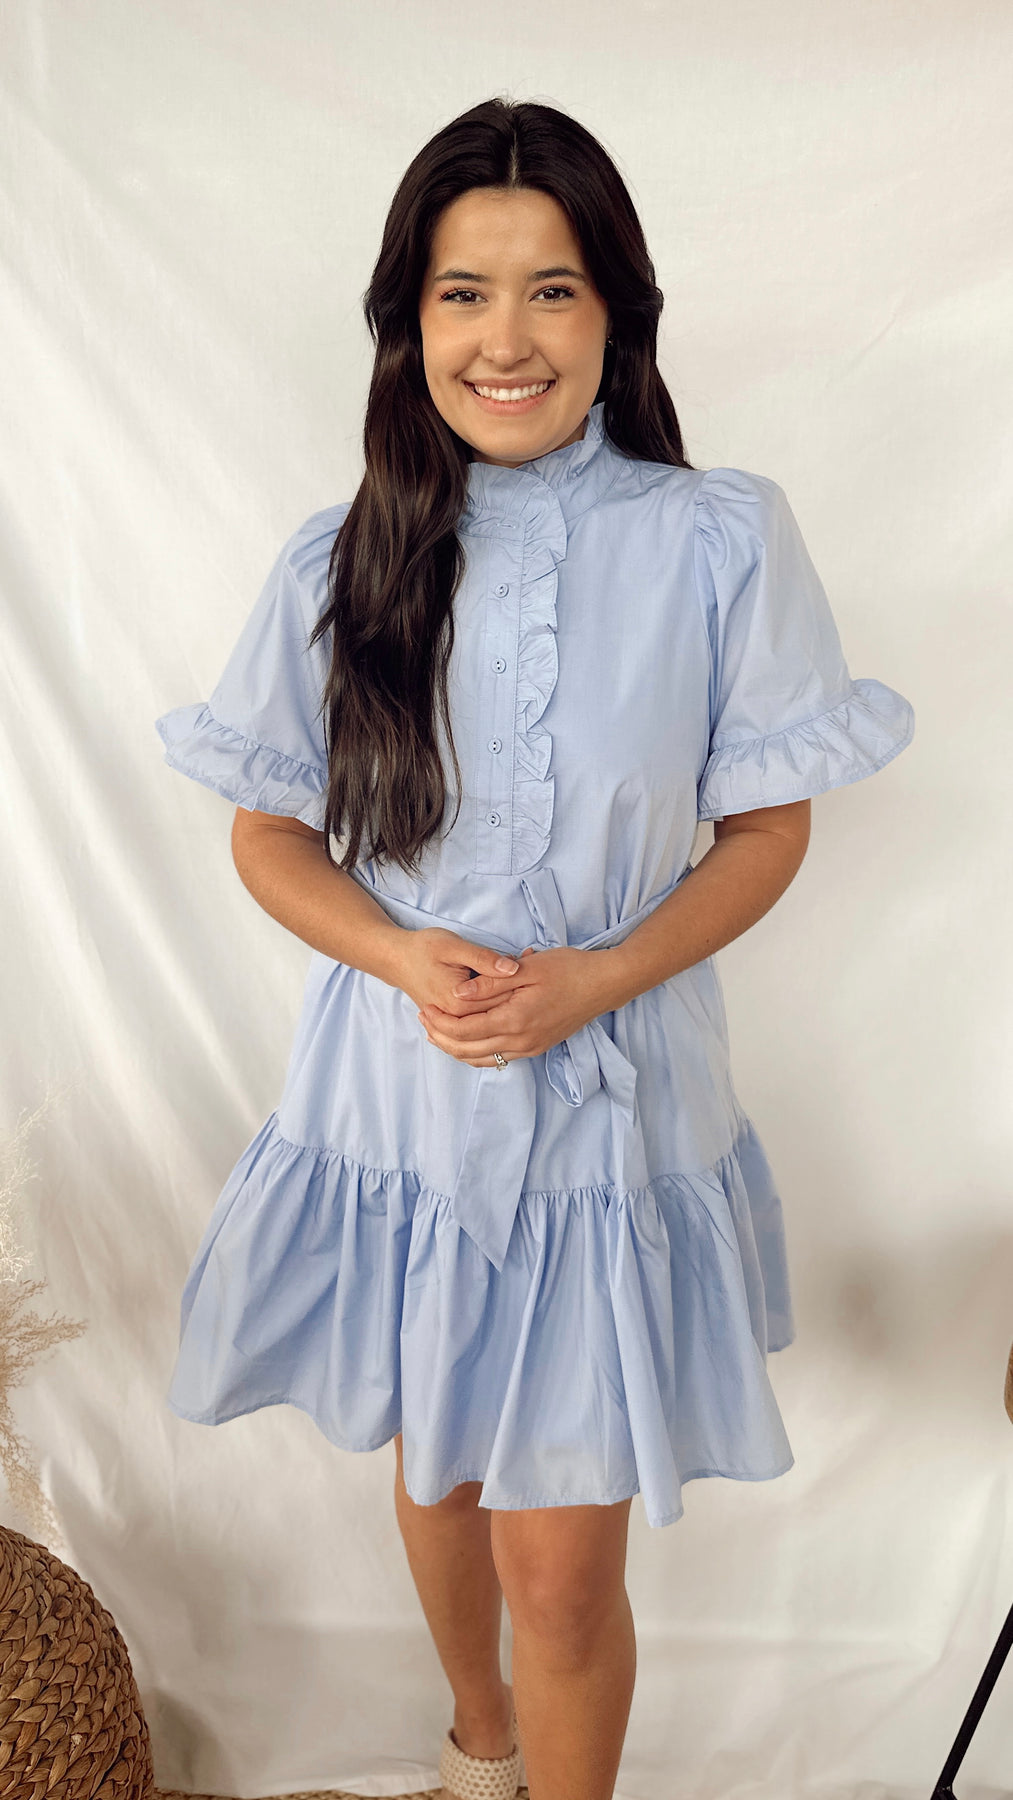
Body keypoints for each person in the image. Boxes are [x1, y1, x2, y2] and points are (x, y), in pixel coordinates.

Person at [155, 96, 914, 1800]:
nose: (505, 340)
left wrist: (594, 980)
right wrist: (398, 953)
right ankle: (477, 1747)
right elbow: (267, 834)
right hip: (397, 1098)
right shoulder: (341, 558)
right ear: (406, 321)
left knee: (559, 1568)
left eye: (552, 290)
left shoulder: (719, 539)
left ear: (616, 315)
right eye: (463, 293)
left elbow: (766, 830)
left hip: (609, 1105)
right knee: (436, 1466)